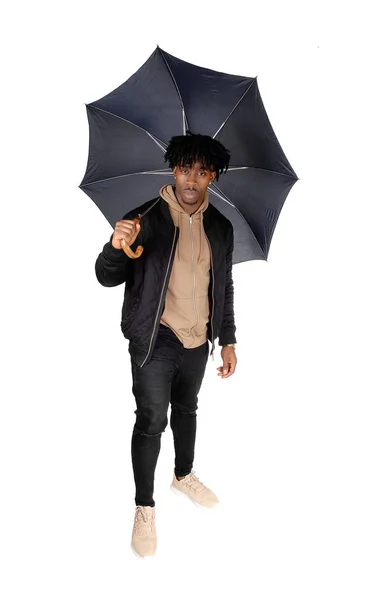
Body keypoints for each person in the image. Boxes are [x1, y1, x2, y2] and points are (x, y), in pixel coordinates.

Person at [95, 132, 237, 558]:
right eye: (184, 168)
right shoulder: (143, 217)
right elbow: (105, 276)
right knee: (152, 420)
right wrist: (116, 245)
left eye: (201, 171)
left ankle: (183, 474)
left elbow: (224, 285)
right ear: (173, 169)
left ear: (212, 176)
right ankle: (144, 506)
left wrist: (227, 338)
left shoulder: (221, 227)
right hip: (155, 339)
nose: (191, 178)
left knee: (188, 408)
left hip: (198, 340)